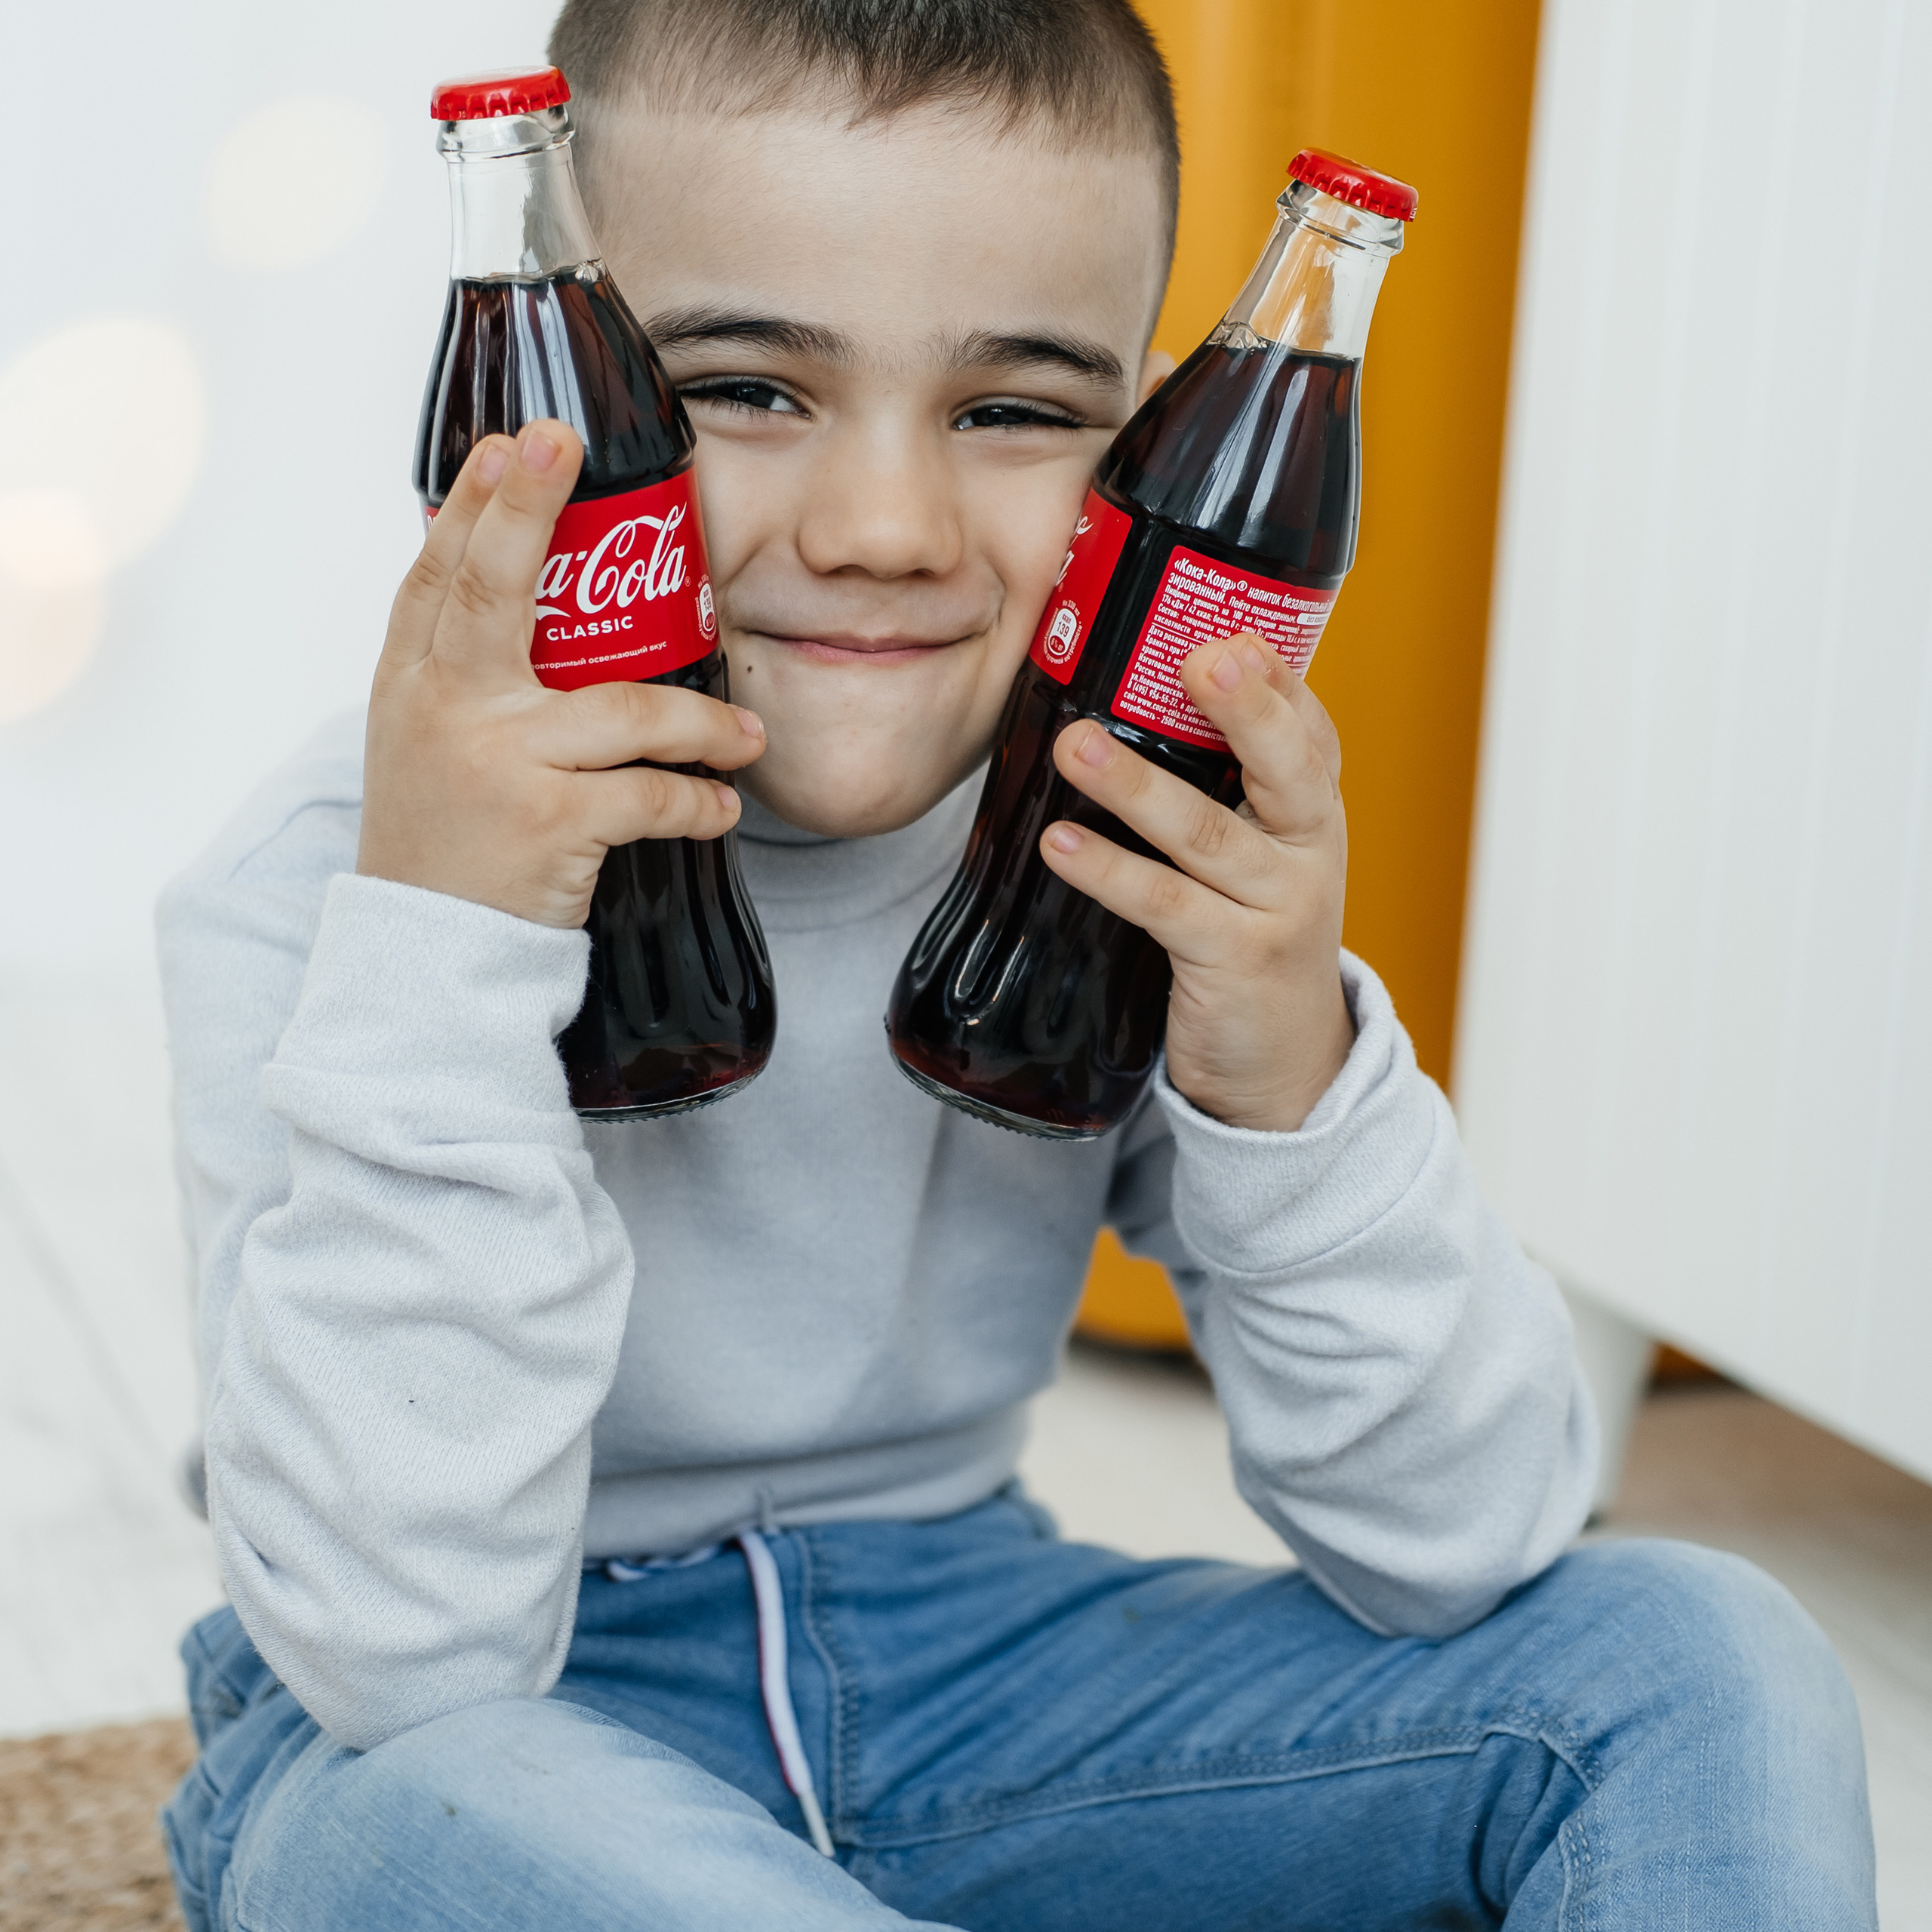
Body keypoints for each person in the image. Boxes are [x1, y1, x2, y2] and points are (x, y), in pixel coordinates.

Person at [155, 2, 1876, 1926]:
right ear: (550, 380)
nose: (885, 531)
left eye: (1012, 412)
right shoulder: (325, 889)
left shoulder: (1109, 838)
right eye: (742, 388)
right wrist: (453, 944)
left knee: (1689, 1647)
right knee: (401, 1821)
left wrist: (1286, 1079)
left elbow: (1456, 1541)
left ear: (1148, 447)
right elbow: (407, 1652)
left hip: (978, 1666)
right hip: (499, 1720)